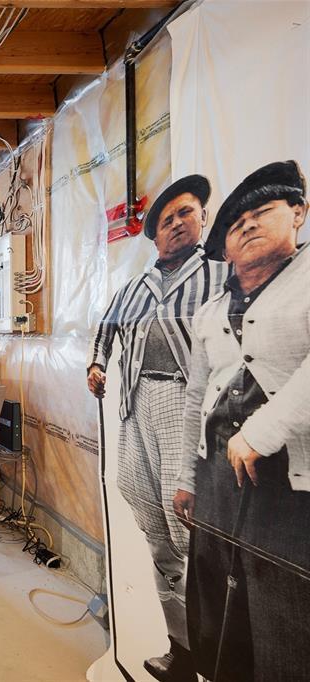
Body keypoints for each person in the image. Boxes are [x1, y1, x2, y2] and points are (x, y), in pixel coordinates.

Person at [173, 160, 310, 681]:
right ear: (224, 249)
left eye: (263, 211)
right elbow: (194, 396)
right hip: (217, 477)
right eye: (235, 223)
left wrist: (263, 431)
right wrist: (188, 477)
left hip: (289, 484)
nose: (248, 224)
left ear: (298, 214)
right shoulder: (211, 310)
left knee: (284, 604)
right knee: (216, 591)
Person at [88, 175, 228, 681]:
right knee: (151, 524)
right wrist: (97, 364)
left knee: (186, 527)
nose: (176, 224)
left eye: (185, 213)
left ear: (203, 219)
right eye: (166, 220)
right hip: (134, 401)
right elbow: (105, 326)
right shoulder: (137, 287)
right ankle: (181, 649)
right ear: (154, 236)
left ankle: (216, 656)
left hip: (183, 401)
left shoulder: (220, 274)